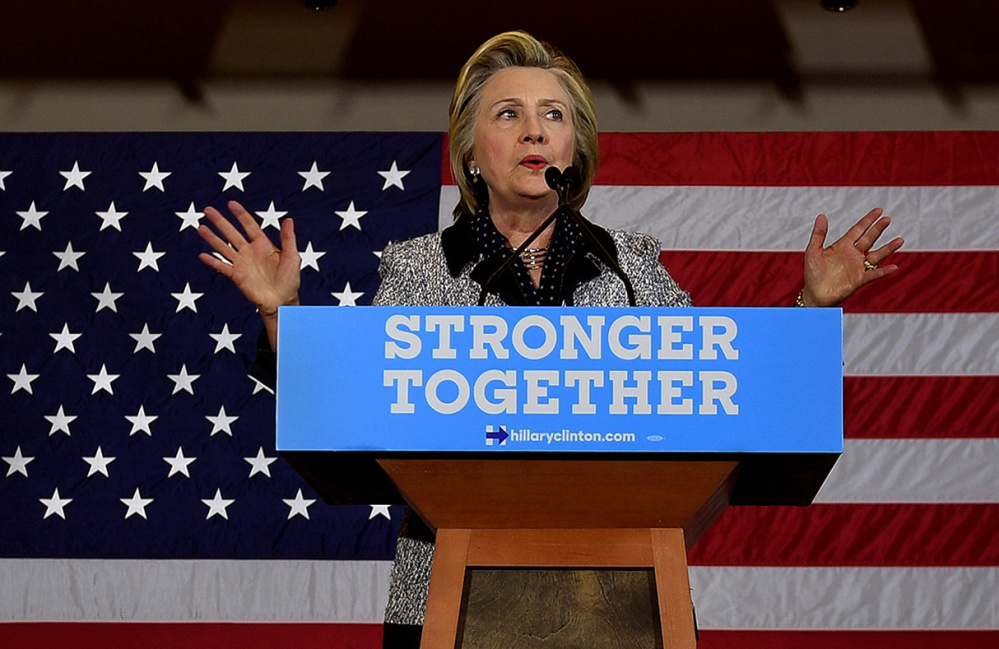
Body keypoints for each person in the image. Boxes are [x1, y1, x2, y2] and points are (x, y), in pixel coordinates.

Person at [197, 30, 903, 649]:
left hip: (621, 600)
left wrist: (811, 305)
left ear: (574, 148)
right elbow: (347, 407)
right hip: (446, 599)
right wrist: (282, 314)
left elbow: (717, 387)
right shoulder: (418, 268)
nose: (534, 131)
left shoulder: (630, 267)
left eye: (552, 116)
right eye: (509, 114)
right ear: (472, 152)